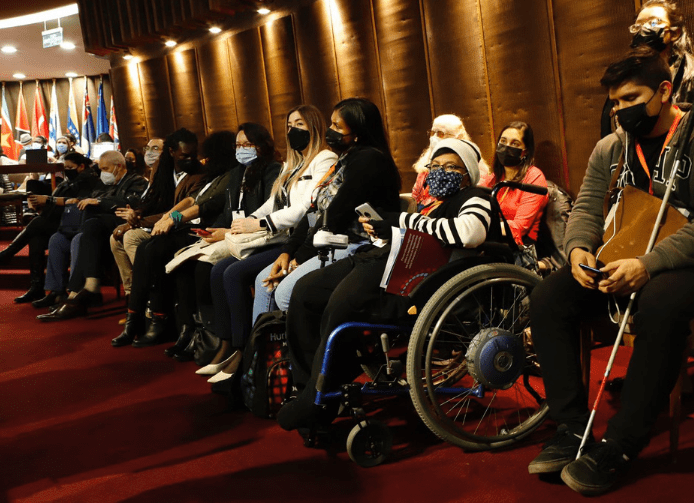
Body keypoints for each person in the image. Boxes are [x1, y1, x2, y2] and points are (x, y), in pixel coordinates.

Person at [526, 47, 694, 495]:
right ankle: (571, 428)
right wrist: (577, 251)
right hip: (621, 256)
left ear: (664, 91)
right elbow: (586, 206)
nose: (622, 110)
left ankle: (622, 445)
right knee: (548, 297)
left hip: (692, 265)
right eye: (616, 102)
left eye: (632, 98)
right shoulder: (611, 146)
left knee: (660, 304)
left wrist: (649, 265)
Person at [276, 138, 503, 431]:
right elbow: (410, 236)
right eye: (435, 166)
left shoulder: (476, 197)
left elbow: (469, 233)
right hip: (380, 259)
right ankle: (308, 386)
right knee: (305, 292)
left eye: (450, 167)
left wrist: (401, 221)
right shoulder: (432, 204)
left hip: (415, 281)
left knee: (342, 308)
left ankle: (316, 399)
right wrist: (383, 231)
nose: (440, 171)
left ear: (467, 173)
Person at [200, 105, 338, 382]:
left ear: (314, 125)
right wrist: (250, 220)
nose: (293, 130)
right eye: (289, 125)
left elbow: (304, 208)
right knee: (219, 270)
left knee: (240, 273)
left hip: (298, 238)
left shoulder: (325, 158)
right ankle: (233, 344)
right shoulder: (293, 162)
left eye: (300, 124)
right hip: (283, 235)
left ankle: (250, 352)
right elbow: (273, 201)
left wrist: (261, 224)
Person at [111, 124, 280, 347]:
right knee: (152, 249)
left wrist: (177, 220)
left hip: (243, 234)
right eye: (238, 145)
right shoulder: (233, 173)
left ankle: (214, 338)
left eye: (246, 145)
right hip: (218, 230)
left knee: (178, 258)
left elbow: (209, 207)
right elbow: (199, 202)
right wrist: (171, 218)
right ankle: (151, 320)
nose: (202, 160)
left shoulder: (258, 171)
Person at [249, 98, 402, 326]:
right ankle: (263, 356)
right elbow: (314, 209)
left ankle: (305, 356)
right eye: (331, 124)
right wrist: (288, 253)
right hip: (328, 241)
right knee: (264, 281)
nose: (330, 131)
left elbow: (337, 214)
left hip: (356, 244)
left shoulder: (368, 160)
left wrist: (298, 260)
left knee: (285, 293)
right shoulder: (344, 159)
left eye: (338, 127)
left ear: (358, 133)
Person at [108, 129, 206, 322]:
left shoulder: (199, 175)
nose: (190, 159)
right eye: (184, 155)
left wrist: (137, 223)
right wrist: (137, 214)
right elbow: (153, 199)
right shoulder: (162, 166)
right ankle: (134, 298)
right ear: (172, 152)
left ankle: (151, 301)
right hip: (159, 222)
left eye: (193, 155)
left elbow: (180, 212)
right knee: (115, 239)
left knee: (131, 237)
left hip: (181, 227)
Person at [36, 150, 148, 320]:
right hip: (93, 230)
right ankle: (61, 291)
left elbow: (130, 203)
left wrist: (100, 202)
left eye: (105, 168)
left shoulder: (136, 181)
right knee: (57, 239)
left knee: (83, 236)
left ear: (118, 167)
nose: (102, 172)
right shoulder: (103, 184)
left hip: (117, 227)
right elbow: (88, 198)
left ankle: (78, 294)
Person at [0, 153, 101, 303]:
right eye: (65, 167)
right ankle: (39, 287)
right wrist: (40, 204)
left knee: (37, 224)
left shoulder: (89, 179)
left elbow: (78, 201)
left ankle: (8, 254)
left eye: (70, 167)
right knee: (36, 238)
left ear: (81, 166)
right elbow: (57, 202)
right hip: (60, 221)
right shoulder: (69, 180)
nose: (67, 170)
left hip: (76, 223)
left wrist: (49, 200)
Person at [601, 0, 694, 138]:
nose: (644, 28)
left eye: (654, 22)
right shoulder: (625, 77)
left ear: (674, 33)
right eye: (638, 26)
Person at [482, 121, 549, 269]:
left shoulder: (534, 177)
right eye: (503, 141)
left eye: (515, 143)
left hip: (519, 247)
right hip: (493, 241)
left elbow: (520, 226)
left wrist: (482, 227)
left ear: (525, 151)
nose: (507, 147)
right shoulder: (494, 178)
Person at [411, 114, 491, 210]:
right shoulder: (426, 165)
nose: (434, 138)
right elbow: (415, 195)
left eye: (441, 134)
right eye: (432, 133)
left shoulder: (471, 168)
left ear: (459, 136)